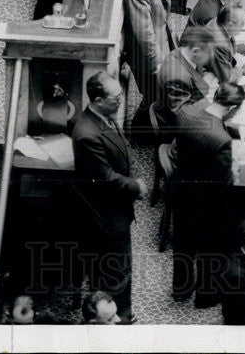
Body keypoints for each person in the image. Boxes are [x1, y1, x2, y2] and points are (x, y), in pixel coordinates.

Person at [70, 72, 144, 325]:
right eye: (117, 97)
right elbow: (106, 178)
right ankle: (118, 319)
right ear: (99, 100)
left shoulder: (103, 117)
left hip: (115, 210)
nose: (121, 101)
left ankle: (118, 313)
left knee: (117, 269)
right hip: (106, 218)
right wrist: (136, 187)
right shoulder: (86, 134)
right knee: (116, 271)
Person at [172, 82, 245, 306]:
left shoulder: (186, 112)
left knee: (182, 244)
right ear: (232, 108)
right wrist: (234, 166)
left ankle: (181, 288)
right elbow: (226, 184)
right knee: (211, 247)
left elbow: (207, 125)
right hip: (208, 202)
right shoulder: (221, 142)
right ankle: (206, 296)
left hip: (181, 190)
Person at [123, 0, 178, 109]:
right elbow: (144, 35)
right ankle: (141, 133)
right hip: (147, 59)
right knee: (155, 101)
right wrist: (158, 67)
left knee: (156, 100)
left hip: (159, 40)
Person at [153, 27, 216, 134]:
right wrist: (211, 101)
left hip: (191, 103)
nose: (212, 56)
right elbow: (184, 116)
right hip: (176, 128)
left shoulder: (183, 52)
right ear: (196, 51)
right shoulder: (177, 77)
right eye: (209, 53)